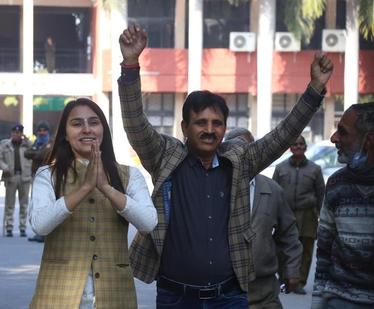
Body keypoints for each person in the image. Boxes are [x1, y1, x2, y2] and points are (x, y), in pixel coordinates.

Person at [118, 25, 333, 308]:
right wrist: (131, 65)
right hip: (176, 297)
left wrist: (315, 89)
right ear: (185, 127)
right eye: (201, 123)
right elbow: (135, 123)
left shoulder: (240, 161)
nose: (209, 130)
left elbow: (283, 135)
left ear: (225, 128)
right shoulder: (165, 157)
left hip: (229, 296)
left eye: (216, 123)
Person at [28, 98, 157, 308]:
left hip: (114, 294)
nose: (86, 129)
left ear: (103, 130)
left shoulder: (129, 175)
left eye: (93, 122)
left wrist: (107, 189)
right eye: (77, 124)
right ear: (65, 135)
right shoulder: (48, 174)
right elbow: (40, 225)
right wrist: (84, 188)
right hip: (58, 293)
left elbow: (148, 222)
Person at [225, 128, 302, 309]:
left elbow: (289, 233)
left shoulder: (272, 190)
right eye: (236, 149)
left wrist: (291, 270)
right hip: (224, 290)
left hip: (264, 291)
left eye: (248, 148)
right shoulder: (214, 187)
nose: (243, 154)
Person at [312, 102, 374, 309]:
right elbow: (323, 250)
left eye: (343, 132)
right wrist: (318, 302)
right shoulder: (336, 183)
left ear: (369, 140)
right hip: (338, 301)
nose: (334, 138)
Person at [272, 135, 325, 295]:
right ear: (290, 147)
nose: (298, 147)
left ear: (306, 147)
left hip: (307, 215)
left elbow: (321, 193)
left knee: (305, 249)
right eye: (295, 144)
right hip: (285, 214)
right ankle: (283, 279)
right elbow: (274, 192)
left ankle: (299, 282)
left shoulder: (315, 169)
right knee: (283, 248)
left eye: (301, 144)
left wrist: (321, 216)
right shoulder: (280, 168)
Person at [0, 124, 32, 237]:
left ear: (22, 133)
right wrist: (4, 167)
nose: (16, 135)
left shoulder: (27, 145)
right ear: (11, 133)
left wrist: (28, 141)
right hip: (11, 176)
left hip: (24, 177)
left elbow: (35, 152)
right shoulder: (5, 145)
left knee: (24, 204)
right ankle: (9, 227)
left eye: (19, 133)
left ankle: (22, 227)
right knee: (9, 204)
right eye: (14, 132)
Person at [25, 121, 53, 243]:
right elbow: (27, 153)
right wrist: (38, 152)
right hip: (35, 176)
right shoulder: (37, 142)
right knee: (35, 204)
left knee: (46, 205)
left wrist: (37, 152)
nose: (42, 133)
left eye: (44, 131)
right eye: (40, 131)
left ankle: (45, 233)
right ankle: (38, 233)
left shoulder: (51, 143)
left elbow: (45, 155)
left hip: (47, 177)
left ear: (48, 132)